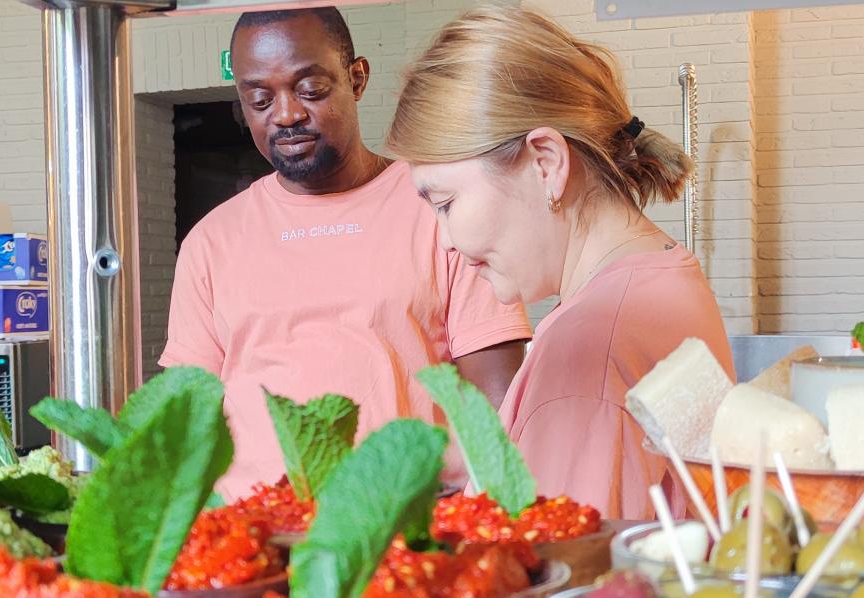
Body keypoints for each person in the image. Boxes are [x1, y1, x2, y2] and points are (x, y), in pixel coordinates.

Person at [163, 7, 531, 499]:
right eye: (259, 99)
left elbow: (497, 407)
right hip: (253, 534)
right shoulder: (210, 241)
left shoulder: (439, 207)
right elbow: (186, 425)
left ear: (356, 79)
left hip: (404, 524)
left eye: (310, 89)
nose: (287, 114)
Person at [386, 5, 734, 519]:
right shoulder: (658, 277)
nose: (445, 241)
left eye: (445, 204)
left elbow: (566, 567)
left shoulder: (588, 346)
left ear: (545, 161)